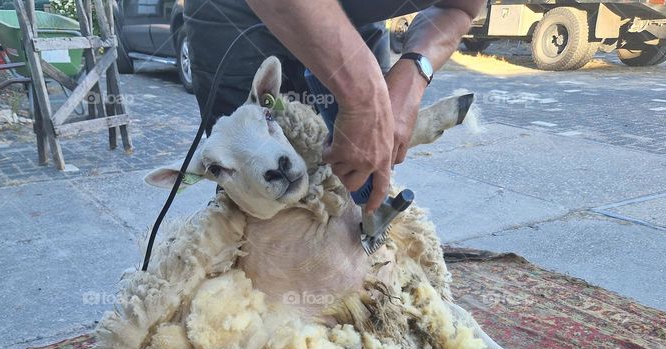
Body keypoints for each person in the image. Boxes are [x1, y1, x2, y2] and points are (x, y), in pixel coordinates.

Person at [184, 0, 484, 212]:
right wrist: (364, 98)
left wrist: (414, 74)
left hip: (360, 15)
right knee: (253, 181)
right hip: (236, 13)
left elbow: (458, 7)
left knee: (359, 160)